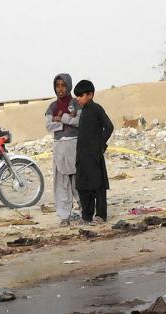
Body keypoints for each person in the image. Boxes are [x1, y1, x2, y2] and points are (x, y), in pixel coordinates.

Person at [73, 79, 114, 224]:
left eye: (81, 96)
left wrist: (100, 145)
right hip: (82, 156)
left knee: (98, 186)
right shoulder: (83, 111)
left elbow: (109, 127)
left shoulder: (96, 108)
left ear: (90, 94)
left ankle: (100, 215)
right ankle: (86, 216)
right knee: (83, 186)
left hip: (94, 155)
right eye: (77, 96)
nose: (78, 99)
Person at [45, 73, 81, 225]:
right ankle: (64, 216)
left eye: (63, 85)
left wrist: (62, 118)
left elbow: (79, 121)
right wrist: (67, 121)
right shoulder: (52, 106)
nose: (60, 89)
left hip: (74, 145)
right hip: (59, 147)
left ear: (69, 86)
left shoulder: (76, 102)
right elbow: (48, 125)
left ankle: (85, 211)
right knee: (61, 182)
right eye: (57, 85)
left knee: (78, 181)